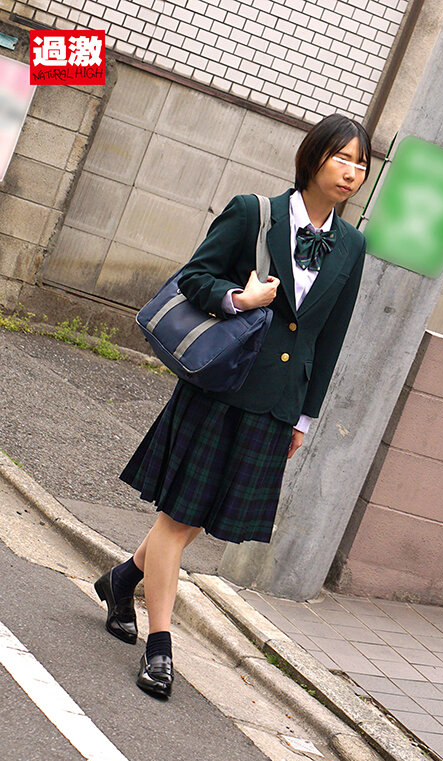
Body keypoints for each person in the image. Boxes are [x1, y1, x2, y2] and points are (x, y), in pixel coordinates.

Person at [94, 113, 371, 700]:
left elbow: (330, 337)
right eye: (342, 157)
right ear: (313, 158)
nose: (352, 172)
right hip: (222, 388)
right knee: (177, 521)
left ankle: (122, 580)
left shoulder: (352, 246)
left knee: (196, 521)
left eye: (361, 163)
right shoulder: (253, 213)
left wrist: (304, 416)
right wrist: (239, 298)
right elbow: (194, 277)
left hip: (276, 405)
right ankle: (161, 645)